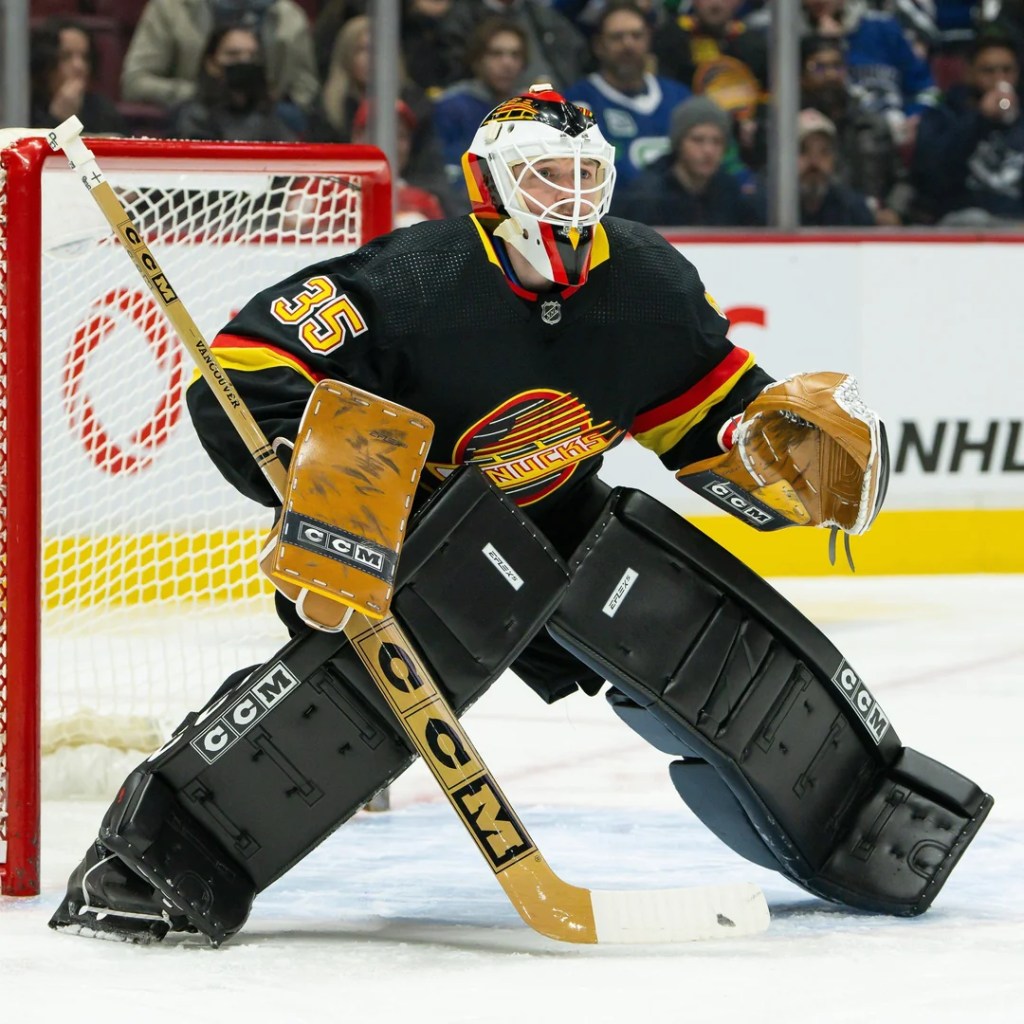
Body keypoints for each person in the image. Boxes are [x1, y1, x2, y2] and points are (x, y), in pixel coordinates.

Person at [49, 85, 990, 947]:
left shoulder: (649, 282)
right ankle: (147, 862)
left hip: (559, 518)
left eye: (587, 173)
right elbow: (247, 365)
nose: (571, 196)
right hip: (416, 534)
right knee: (344, 713)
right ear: (491, 183)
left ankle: (861, 822)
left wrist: (762, 455)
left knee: (697, 632)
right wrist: (341, 490)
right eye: (547, 174)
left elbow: (705, 413)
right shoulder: (418, 280)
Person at [120, 0, 319, 127]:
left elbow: (305, 89)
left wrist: (267, 100)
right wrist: (200, 94)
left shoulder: (289, 17)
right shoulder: (171, 8)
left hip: (268, 118)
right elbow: (136, 81)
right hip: (193, 115)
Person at [566, 1, 693, 185]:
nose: (628, 44)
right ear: (598, 45)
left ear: (649, 40)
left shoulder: (681, 98)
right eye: (617, 37)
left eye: (637, 35)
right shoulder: (576, 104)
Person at [911, 30, 1024, 224]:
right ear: (969, 73)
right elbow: (931, 176)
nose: (1000, 79)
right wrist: (980, 119)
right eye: (988, 71)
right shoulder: (943, 116)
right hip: (961, 220)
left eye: (1007, 70)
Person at [800, 33, 910, 223]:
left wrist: (894, 210)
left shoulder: (872, 125)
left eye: (837, 66)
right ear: (801, 76)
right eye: (819, 67)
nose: (830, 75)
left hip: (869, 223)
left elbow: (902, 180)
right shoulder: (788, 128)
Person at [612, 95, 761, 225]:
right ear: (679, 144)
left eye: (717, 141)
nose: (708, 150)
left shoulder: (730, 193)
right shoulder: (647, 196)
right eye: (697, 140)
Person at [433, 17, 529, 186]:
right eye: (496, 54)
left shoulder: (529, 111)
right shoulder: (452, 107)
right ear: (477, 59)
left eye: (515, 55)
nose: (507, 63)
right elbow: (449, 173)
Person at [168, 24, 298, 141]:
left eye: (252, 56)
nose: (244, 62)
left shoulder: (269, 115)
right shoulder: (194, 116)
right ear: (211, 64)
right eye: (233, 55)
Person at [29, 17, 128, 136]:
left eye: (85, 57)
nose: (79, 66)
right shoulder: (25, 108)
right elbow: (36, 146)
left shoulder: (102, 110)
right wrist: (57, 119)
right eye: (66, 57)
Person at [794, 107, 878, 225]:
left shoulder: (854, 209)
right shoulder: (770, 207)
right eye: (804, 151)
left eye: (824, 152)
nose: (814, 161)